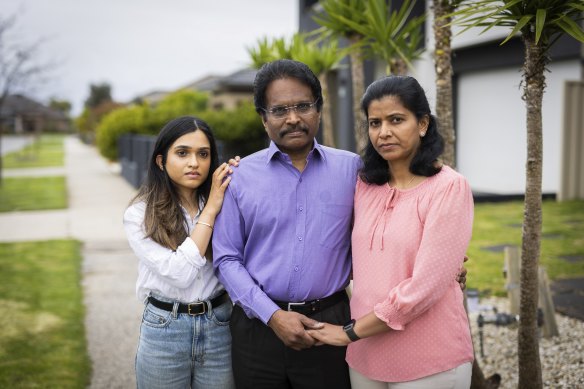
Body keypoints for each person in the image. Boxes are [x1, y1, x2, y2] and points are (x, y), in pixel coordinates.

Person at [212, 60, 467, 389]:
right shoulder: (239, 177)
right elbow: (226, 257)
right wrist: (272, 316)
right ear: (264, 118)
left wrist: (449, 265)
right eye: (279, 110)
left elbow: (408, 214)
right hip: (258, 328)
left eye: (303, 106)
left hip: (330, 325)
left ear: (318, 109)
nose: (293, 118)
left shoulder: (355, 173)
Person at [307, 76, 474, 389]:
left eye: (396, 120)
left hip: (429, 359)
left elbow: (424, 287)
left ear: (423, 124)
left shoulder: (449, 187)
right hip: (365, 357)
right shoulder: (363, 186)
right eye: (375, 123)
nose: (383, 132)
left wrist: (348, 332)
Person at [123, 116, 236, 389]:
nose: (194, 163)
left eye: (203, 154)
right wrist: (210, 210)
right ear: (161, 161)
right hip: (164, 329)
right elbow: (180, 273)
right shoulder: (139, 214)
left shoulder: (228, 201)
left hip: (219, 325)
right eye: (182, 153)